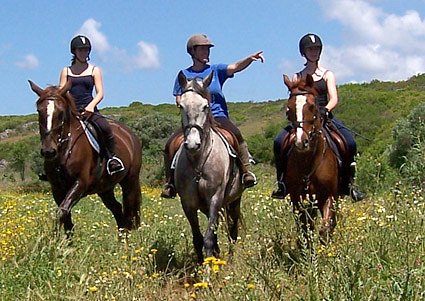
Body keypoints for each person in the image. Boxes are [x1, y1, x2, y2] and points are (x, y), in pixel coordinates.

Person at [160, 33, 264, 198]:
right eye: (202, 49)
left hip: (217, 116)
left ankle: (246, 171)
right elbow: (178, 96)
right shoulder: (183, 74)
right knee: (170, 144)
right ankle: (170, 183)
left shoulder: (216, 70)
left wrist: (249, 59)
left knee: (236, 134)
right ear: (192, 52)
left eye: (207, 49)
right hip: (192, 119)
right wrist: (182, 103)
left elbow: (235, 67)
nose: (206, 52)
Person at [272, 33, 365, 201]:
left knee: (349, 142)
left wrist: (326, 109)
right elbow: (294, 98)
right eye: (310, 49)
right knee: (279, 142)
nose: (313, 52)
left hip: (324, 116)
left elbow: (334, 97)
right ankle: (282, 183)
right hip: (303, 120)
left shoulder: (327, 74)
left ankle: (349, 184)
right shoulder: (297, 76)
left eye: (316, 49)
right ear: (304, 52)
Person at [59, 35, 124, 175]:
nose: (84, 53)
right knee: (53, 130)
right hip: (71, 111)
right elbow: (61, 92)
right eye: (80, 50)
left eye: (86, 50)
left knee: (105, 128)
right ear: (74, 52)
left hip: (89, 109)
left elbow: (100, 93)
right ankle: (52, 166)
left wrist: (90, 106)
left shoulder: (94, 70)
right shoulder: (66, 71)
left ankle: (112, 159)